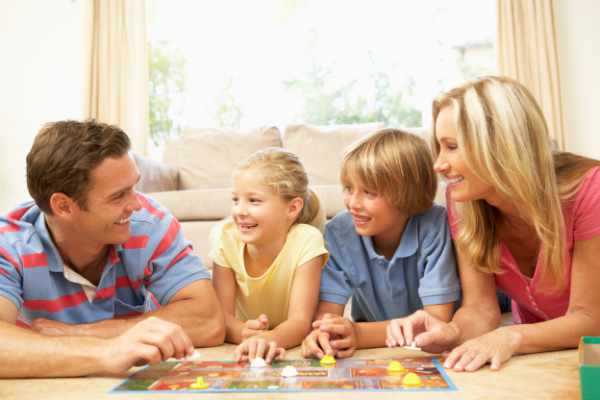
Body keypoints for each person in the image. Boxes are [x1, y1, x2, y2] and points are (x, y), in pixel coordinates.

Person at [386, 75, 600, 371]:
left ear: (499, 146)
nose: (438, 164)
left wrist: (510, 336)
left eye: (451, 146)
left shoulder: (592, 191)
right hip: (545, 357)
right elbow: (480, 308)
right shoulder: (463, 202)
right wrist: (452, 332)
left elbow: (589, 320)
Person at [0, 120, 225, 378]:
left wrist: (80, 333)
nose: (137, 204)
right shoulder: (10, 243)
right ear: (63, 206)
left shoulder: (149, 224)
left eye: (134, 187)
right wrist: (106, 352)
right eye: (119, 196)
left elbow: (208, 320)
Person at [301, 128, 460, 359]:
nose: (353, 203)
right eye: (348, 189)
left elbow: (436, 320)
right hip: (379, 335)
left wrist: (358, 334)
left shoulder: (435, 225)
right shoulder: (338, 232)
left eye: (369, 192)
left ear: (407, 193)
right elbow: (327, 314)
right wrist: (324, 333)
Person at [210, 147, 329, 363]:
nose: (239, 211)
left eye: (254, 201)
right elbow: (220, 317)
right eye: (236, 200)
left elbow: (301, 321)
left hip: (281, 335)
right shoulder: (225, 237)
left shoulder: (307, 240)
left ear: (292, 208)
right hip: (248, 334)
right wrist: (243, 333)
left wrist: (269, 339)